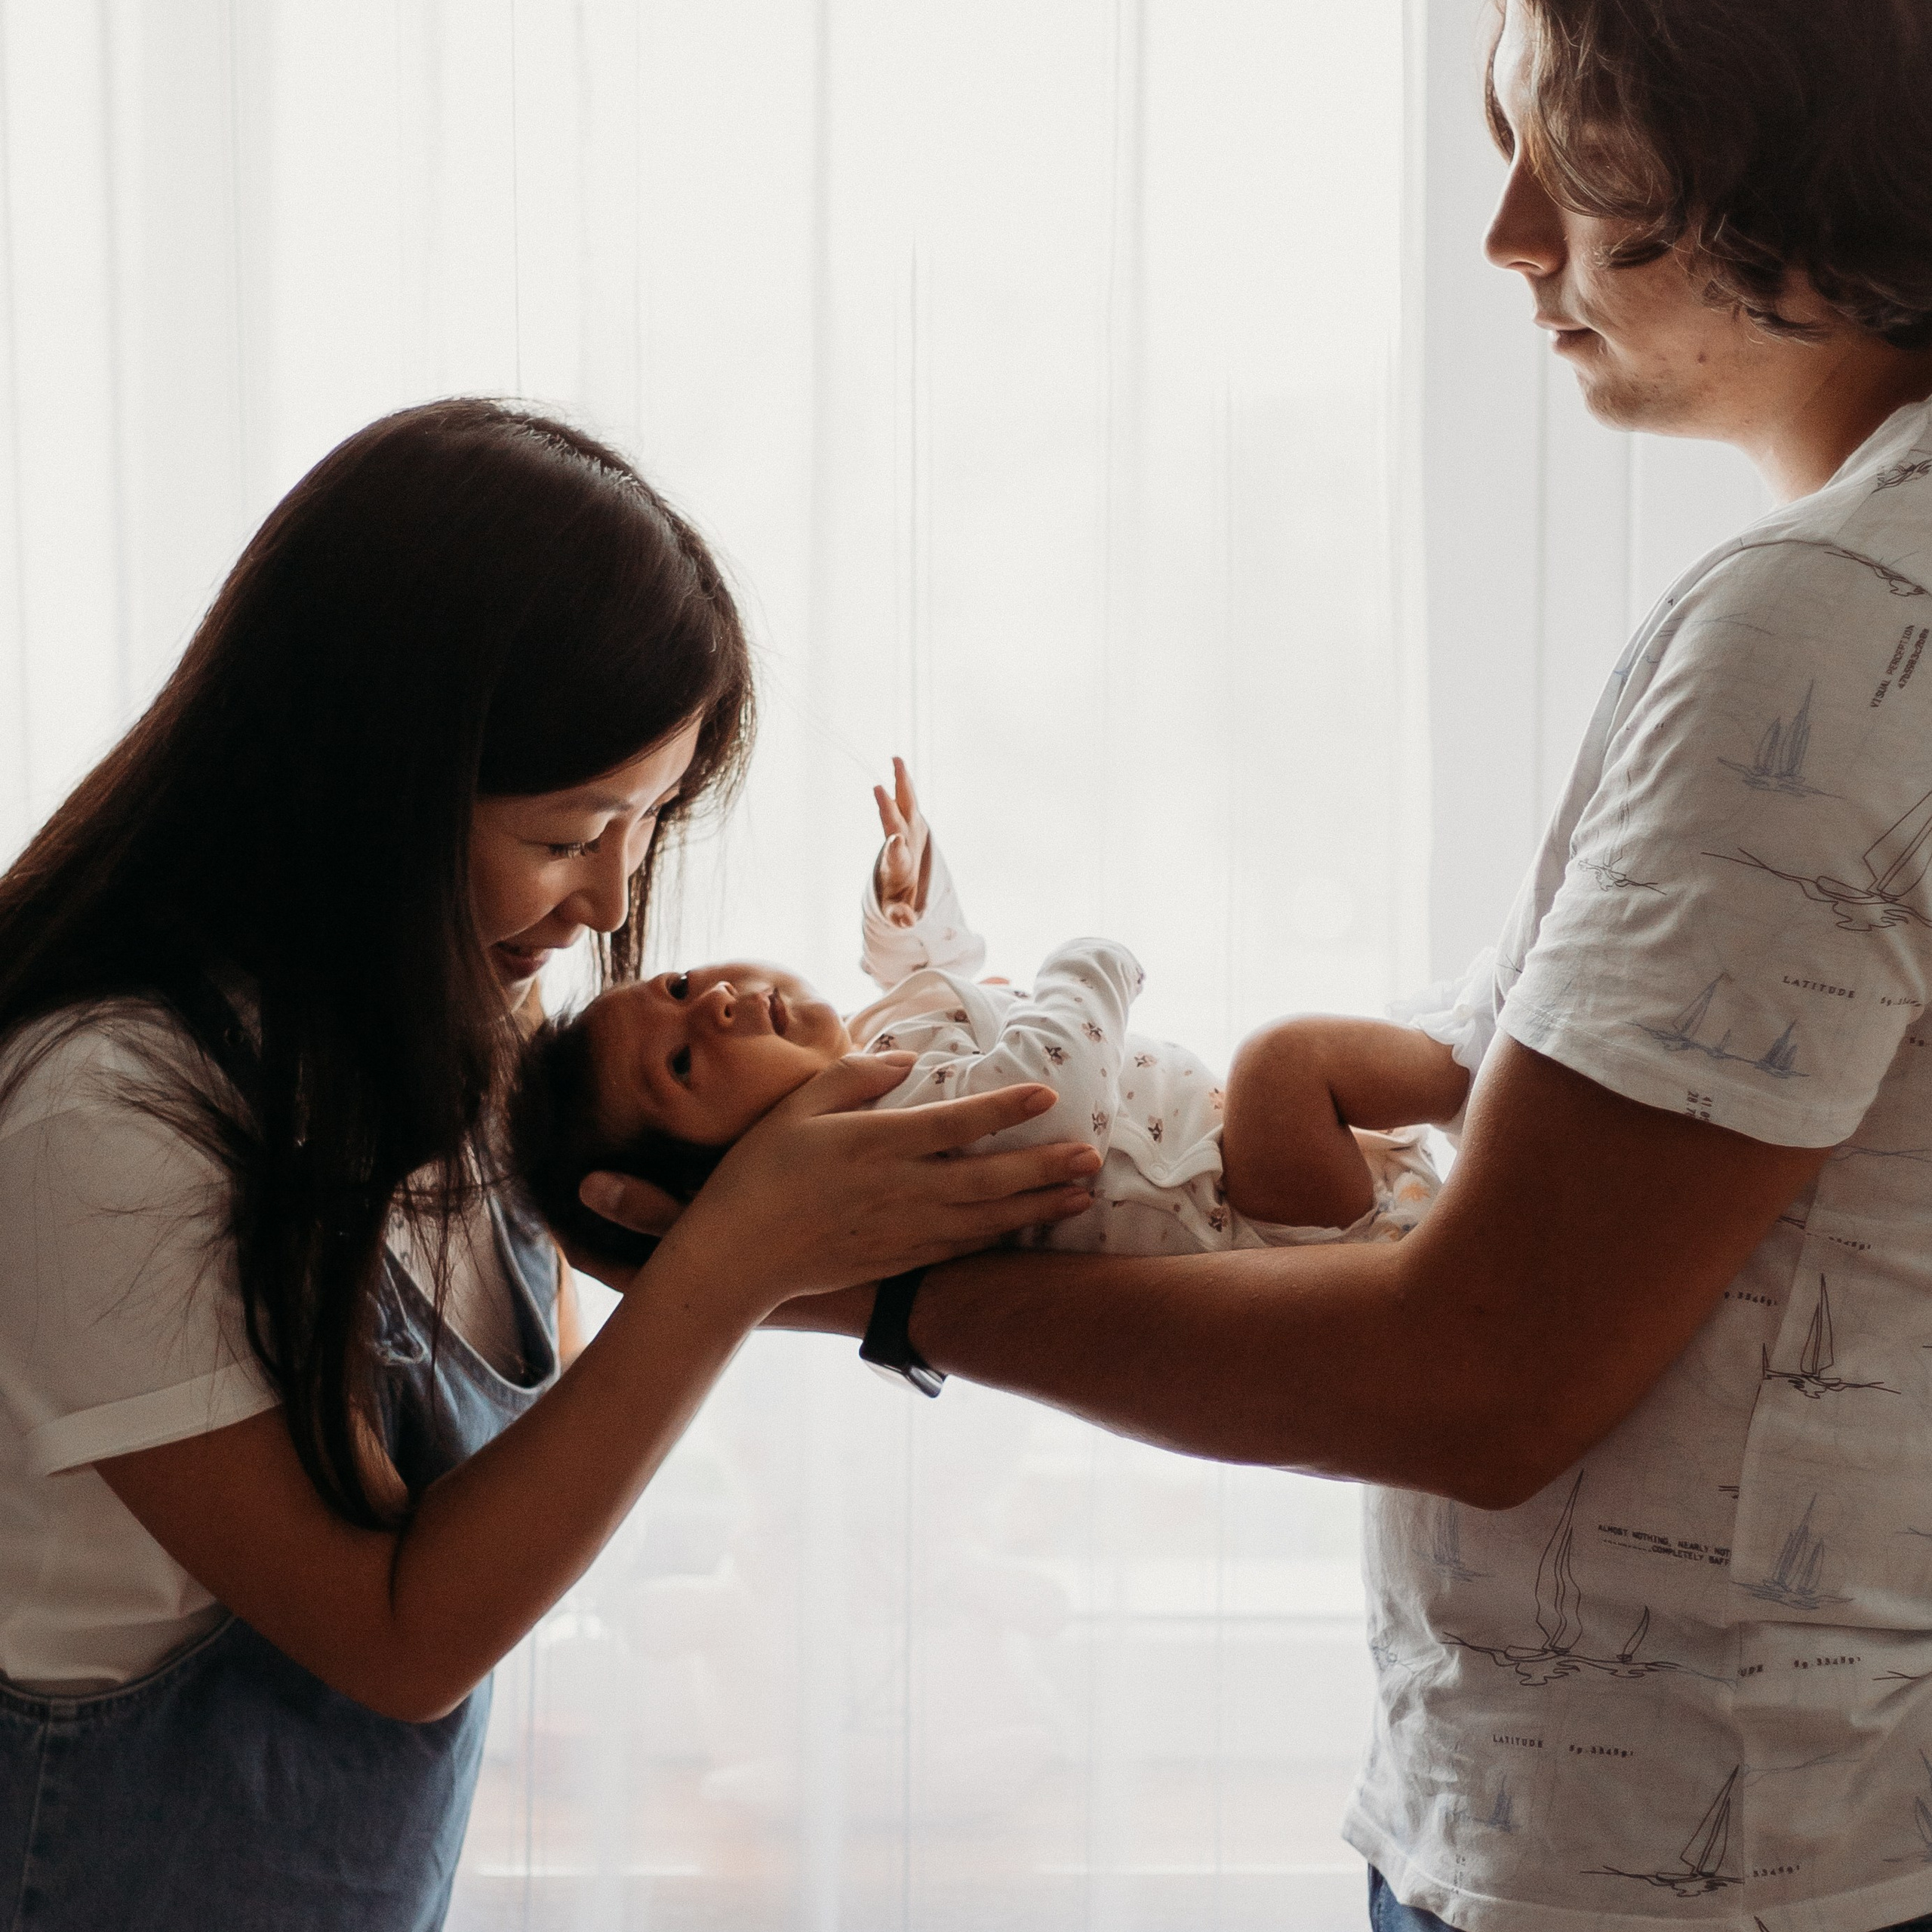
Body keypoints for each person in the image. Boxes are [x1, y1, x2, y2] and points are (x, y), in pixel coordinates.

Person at [584, 3, 1932, 1926]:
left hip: (1675, 1866)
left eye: (1574, 157)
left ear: (1780, 152)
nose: (1507, 237)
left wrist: (862, 1298)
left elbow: (1479, 1373)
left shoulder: (1823, 629)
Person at [0, 398, 1102, 1932]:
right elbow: (397, 1639)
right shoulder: (103, 1117)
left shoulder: (464, 1046)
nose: (608, 899)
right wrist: (731, 1263)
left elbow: (545, 1443)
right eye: (573, 826)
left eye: (646, 821)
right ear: (364, 780)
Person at [510, 758, 1456, 1272]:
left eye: (676, 986)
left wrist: (906, 907)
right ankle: (1483, 1058)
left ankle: (1476, 1075)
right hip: (1247, 1216)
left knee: (1312, 1069)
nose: (712, 1004)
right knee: (1284, 1062)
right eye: (680, 1065)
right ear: (726, 1169)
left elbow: (946, 982)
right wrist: (1087, 968)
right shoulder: (873, 1136)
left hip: (1249, 1164)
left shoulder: (878, 1045)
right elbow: (1049, 1109)